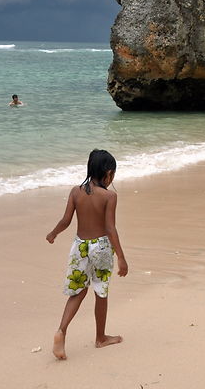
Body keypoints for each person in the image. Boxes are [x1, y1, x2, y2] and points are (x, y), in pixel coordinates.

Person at [46, 149, 128, 360]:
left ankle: (61, 331)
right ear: (108, 172)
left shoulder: (75, 191)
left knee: (78, 292)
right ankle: (100, 338)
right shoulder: (110, 196)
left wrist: (53, 233)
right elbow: (110, 228)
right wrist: (121, 256)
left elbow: (66, 220)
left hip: (79, 246)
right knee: (100, 291)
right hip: (101, 247)